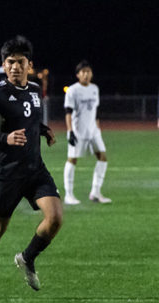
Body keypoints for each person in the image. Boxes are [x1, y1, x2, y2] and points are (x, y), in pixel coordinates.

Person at [0, 35, 62, 300]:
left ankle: (27, 258)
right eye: (9, 62)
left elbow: (30, 119)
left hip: (35, 169)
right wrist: (5, 138)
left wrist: (43, 130)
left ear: (29, 64)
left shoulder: (35, 90)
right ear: (4, 64)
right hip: (6, 172)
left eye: (20, 62)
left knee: (55, 218)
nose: (14, 67)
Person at [63, 61, 111, 204]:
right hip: (78, 131)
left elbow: (95, 111)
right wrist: (70, 131)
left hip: (93, 131)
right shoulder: (72, 90)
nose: (86, 74)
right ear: (78, 75)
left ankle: (95, 193)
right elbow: (68, 113)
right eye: (83, 72)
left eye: (88, 71)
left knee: (102, 157)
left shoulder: (95, 88)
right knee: (72, 159)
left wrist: (98, 128)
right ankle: (69, 195)